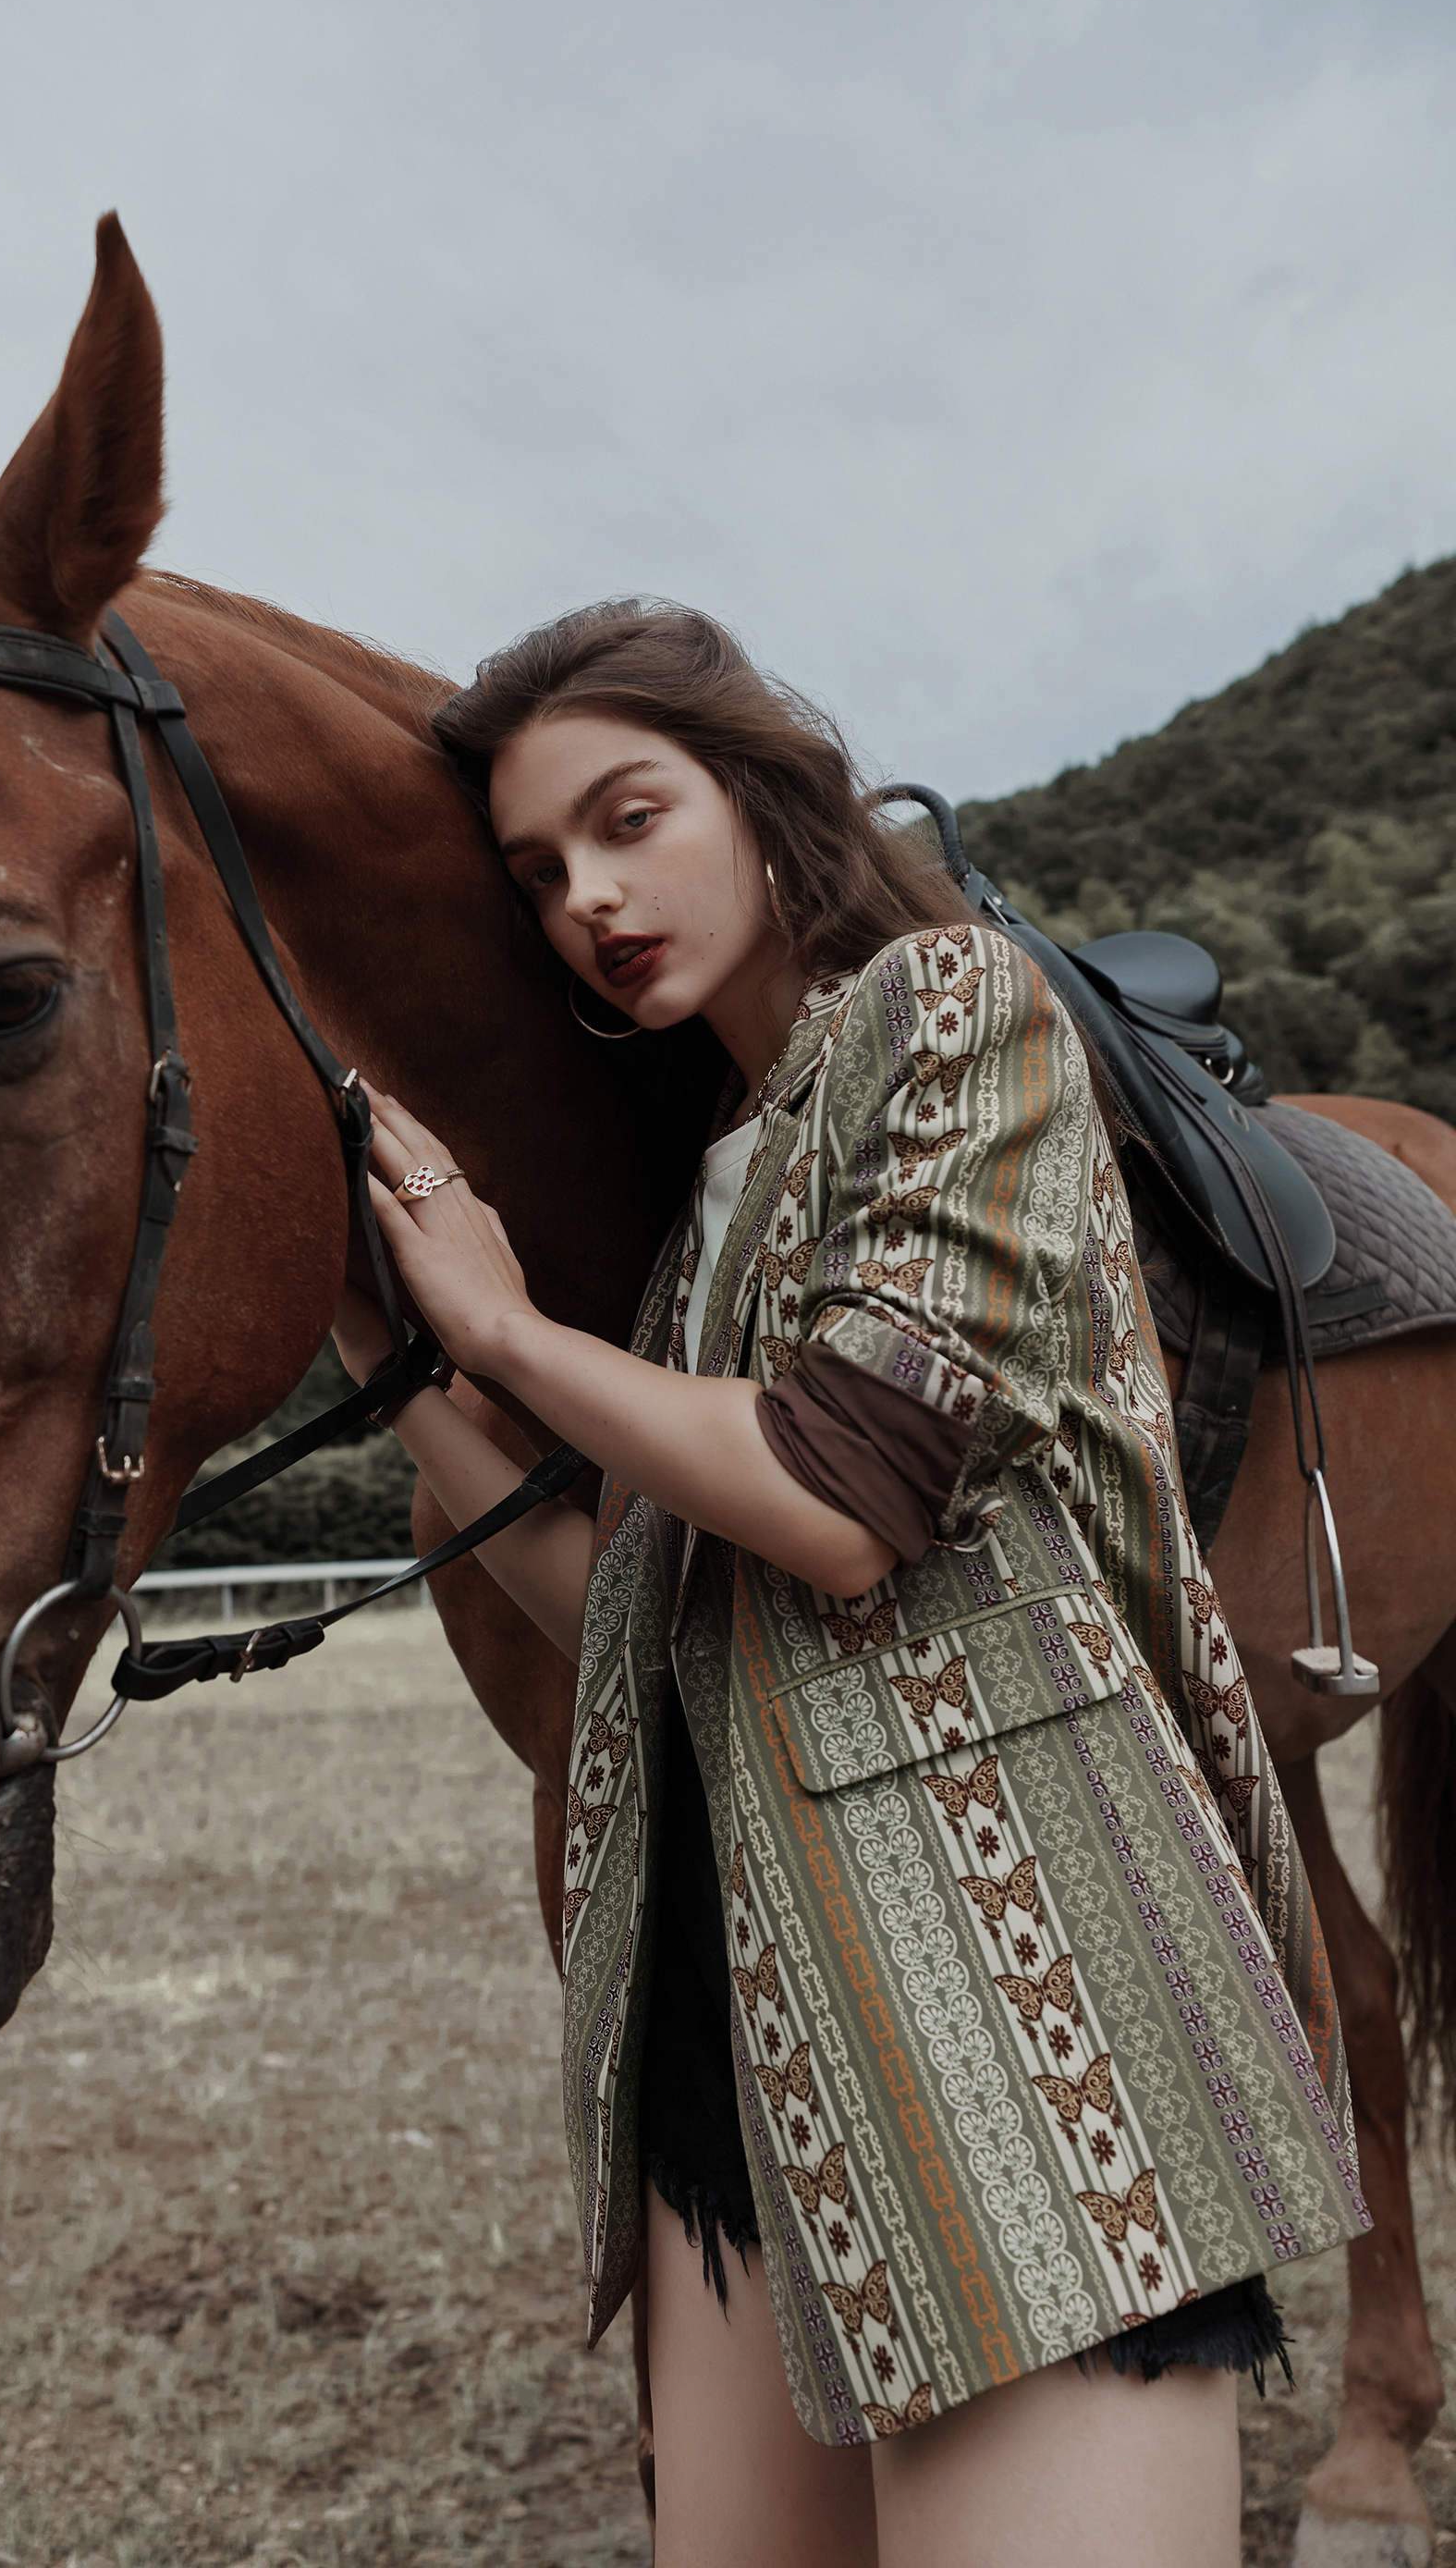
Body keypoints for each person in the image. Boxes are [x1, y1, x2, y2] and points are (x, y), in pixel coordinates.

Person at [328, 599, 1372, 2568]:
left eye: (630, 819)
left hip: (1014, 1998)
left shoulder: (954, 1001)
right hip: (742, 2037)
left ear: (763, 789)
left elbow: (843, 1492)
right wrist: (385, 1341)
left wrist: (506, 1329)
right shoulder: (710, 1196)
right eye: (544, 874)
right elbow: (628, 1614)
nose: (590, 899)